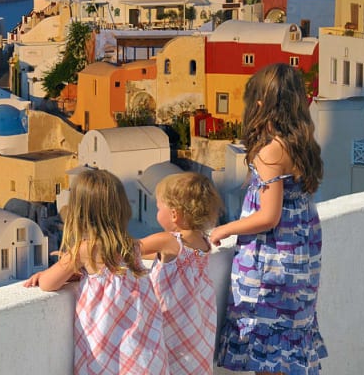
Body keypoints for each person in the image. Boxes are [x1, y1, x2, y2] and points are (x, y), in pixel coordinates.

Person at [210, 63, 327, 375]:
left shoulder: (270, 153)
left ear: (261, 104)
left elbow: (269, 216)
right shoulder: (304, 145)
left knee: (268, 354)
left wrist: (223, 228)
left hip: (273, 265)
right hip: (301, 258)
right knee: (287, 352)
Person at [24, 168, 167, 375]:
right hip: (141, 352)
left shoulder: (85, 250)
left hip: (107, 354)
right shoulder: (132, 247)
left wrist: (59, 266)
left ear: (79, 212)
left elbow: (48, 284)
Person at [139, 172, 222, 375]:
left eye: (159, 208)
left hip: (170, 326)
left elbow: (126, 249)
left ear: (174, 214)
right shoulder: (202, 241)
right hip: (194, 330)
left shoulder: (168, 241)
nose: (156, 212)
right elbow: (169, 258)